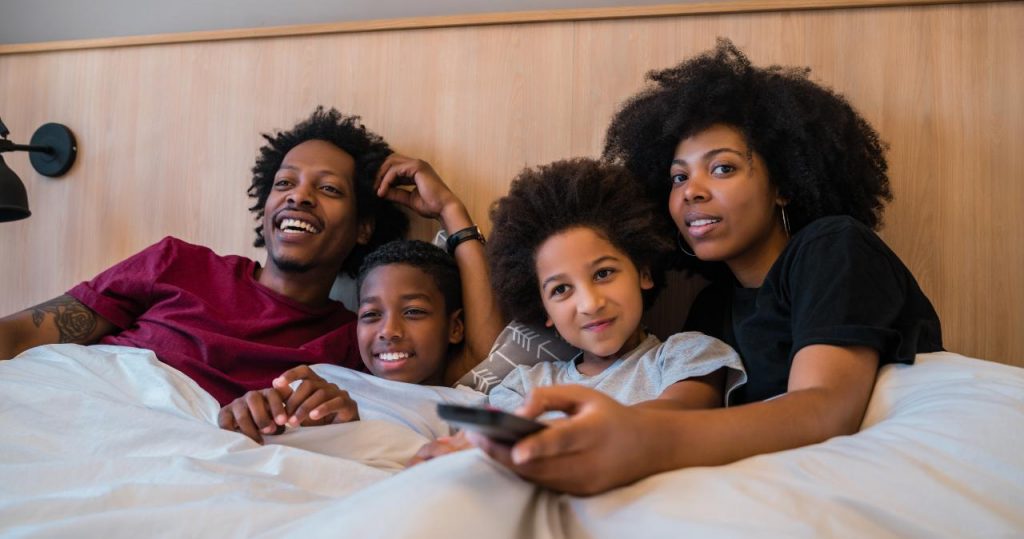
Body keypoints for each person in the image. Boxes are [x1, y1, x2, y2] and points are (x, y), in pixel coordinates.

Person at [469, 39, 944, 495]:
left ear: (784, 183)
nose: (691, 191)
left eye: (722, 168)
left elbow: (824, 411)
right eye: (678, 177)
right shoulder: (712, 308)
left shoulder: (833, 247)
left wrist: (638, 439)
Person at [0, 107, 418, 406]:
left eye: (328, 189)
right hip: (64, 404)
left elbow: (466, 380)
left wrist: (453, 215)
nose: (299, 196)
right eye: (284, 182)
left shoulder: (358, 341)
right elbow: (19, 335)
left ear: (365, 225)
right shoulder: (177, 263)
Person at [410, 158, 744, 463]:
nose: (590, 303)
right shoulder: (525, 385)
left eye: (603, 273)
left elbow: (677, 416)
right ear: (544, 310)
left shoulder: (689, 355)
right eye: (561, 290)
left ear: (643, 272)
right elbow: (496, 446)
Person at [217, 158, 505, 443]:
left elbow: (487, 349)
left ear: (455, 328)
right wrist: (251, 410)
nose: (389, 330)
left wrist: (449, 208)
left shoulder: (464, 407)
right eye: (370, 314)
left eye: (414, 311)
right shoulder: (323, 377)